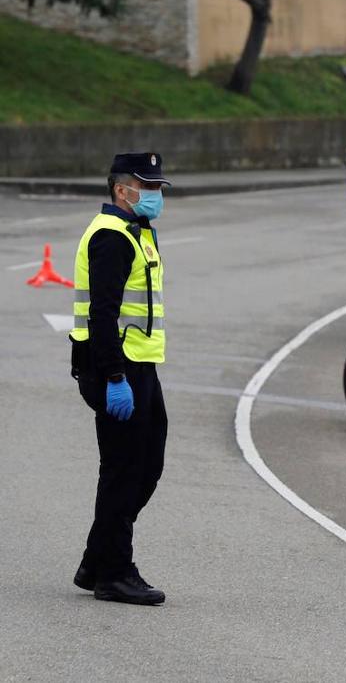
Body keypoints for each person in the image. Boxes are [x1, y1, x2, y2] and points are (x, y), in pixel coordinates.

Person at [68, 152, 172, 605]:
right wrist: (113, 376)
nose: (153, 194)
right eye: (145, 186)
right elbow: (102, 314)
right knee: (124, 470)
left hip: (140, 363)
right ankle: (114, 572)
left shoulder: (137, 232)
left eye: (156, 187)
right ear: (120, 189)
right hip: (117, 366)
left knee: (146, 465)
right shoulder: (111, 237)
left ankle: (98, 556)